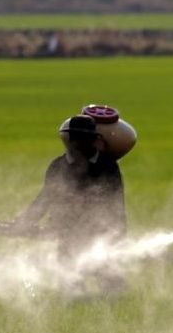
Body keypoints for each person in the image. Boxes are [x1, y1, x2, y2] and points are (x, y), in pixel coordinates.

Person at [14, 113, 126, 295]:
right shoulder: (57, 166)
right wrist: (27, 220)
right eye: (73, 139)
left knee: (111, 285)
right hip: (65, 232)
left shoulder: (107, 166)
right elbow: (46, 198)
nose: (76, 144)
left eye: (81, 140)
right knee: (71, 284)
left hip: (99, 232)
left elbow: (115, 201)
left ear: (92, 141)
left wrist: (118, 231)